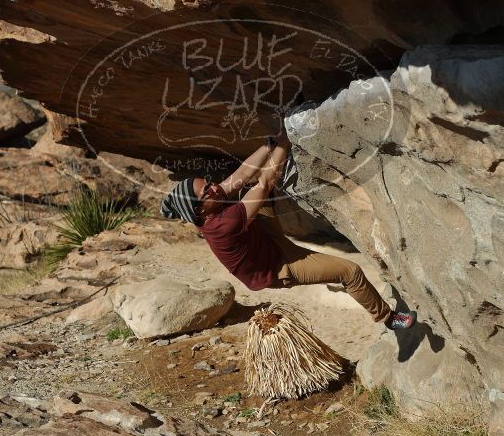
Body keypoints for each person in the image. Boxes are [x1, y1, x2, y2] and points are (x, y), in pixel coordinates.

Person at [160, 129, 416, 330]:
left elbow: (242, 173)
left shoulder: (210, 208)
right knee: (350, 271)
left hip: (264, 238)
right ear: (199, 210)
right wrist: (286, 142)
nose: (214, 187)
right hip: (278, 266)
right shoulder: (222, 224)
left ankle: (277, 163)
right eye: (206, 191)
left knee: (246, 186)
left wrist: (271, 142)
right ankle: (388, 318)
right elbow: (264, 182)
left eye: (209, 183)